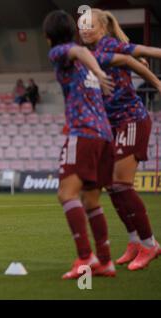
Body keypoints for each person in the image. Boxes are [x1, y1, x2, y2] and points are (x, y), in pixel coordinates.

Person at [79, 8, 161, 271]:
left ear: (102, 28)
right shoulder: (90, 53)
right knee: (112, 186)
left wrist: (158, 84)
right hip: (112, 125)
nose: (85, 28)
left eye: (90, 24)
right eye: (81, 24)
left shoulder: (108, 44)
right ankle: (134, 242)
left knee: (121, 184)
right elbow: (131, 61)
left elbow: (140, 56)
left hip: (131, 119)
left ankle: (150, 245)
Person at [43, 10, 117, 279]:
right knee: (91, 200)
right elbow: (84, 53)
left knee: (66, 193)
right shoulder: (85, 60)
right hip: (105, 137)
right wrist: (96, 69)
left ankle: (86, 257)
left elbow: (77, 51)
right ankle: (106, 262)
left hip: (84, 134)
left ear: (48, 37)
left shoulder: (61, 52)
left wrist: (97, 69)